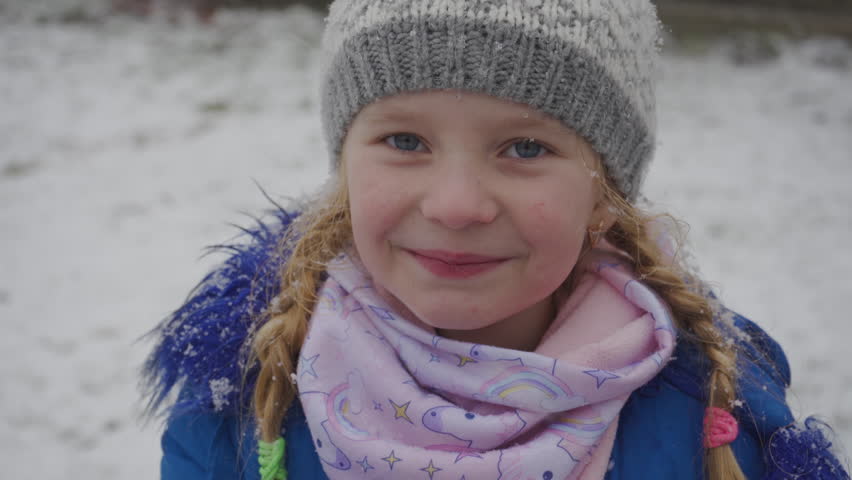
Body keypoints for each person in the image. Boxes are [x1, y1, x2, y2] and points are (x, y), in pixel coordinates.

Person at [142, 1, 850, 479]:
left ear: (605, 196)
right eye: (405, 140)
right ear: (346, 163)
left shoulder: (720, 412)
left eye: (524, 148)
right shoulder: (239, 408)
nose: (456, 206)